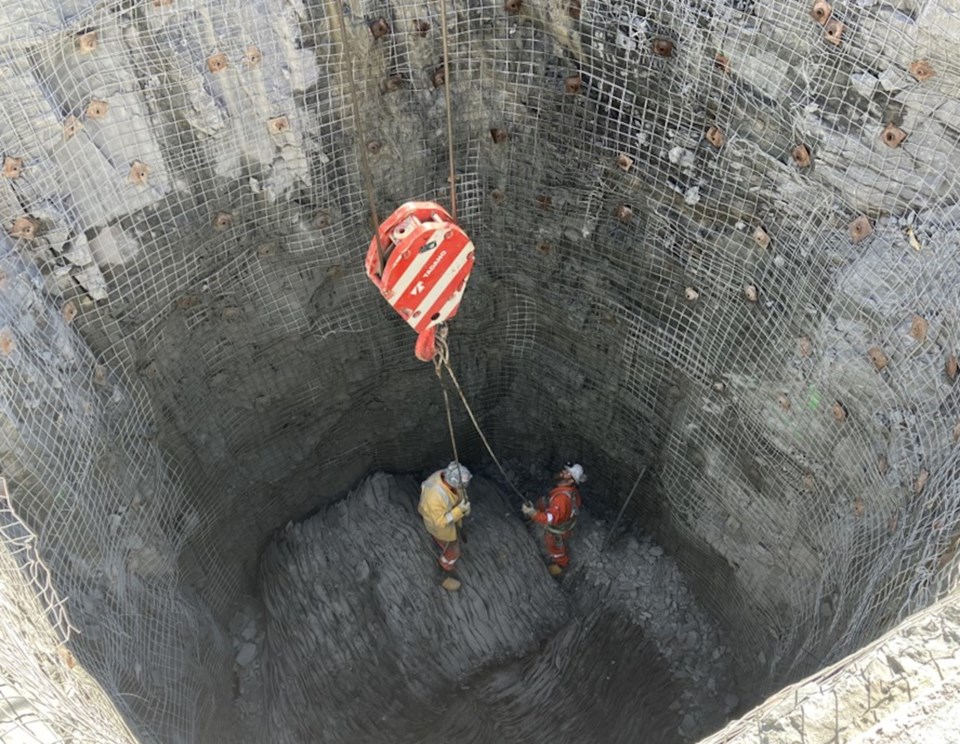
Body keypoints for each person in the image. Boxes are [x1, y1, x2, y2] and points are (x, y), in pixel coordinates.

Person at [522, 463, 585, 576]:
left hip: (559, 527)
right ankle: (531, 517)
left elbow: (549, 519)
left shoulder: (561, 499)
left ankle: (561, 565)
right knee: (543, 502)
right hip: (563, 514)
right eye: (565, 470)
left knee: (554, 545)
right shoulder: (570, 491)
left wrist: (533, 513)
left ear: (571, 481)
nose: (563, 472)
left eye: (567, 473)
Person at [418, 461, 472, 591]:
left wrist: (464, 506)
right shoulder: (434, 497)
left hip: (450, 514)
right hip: (439, 525)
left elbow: (460, 491)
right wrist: (460, 510)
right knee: (453, 549)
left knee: (456, 531)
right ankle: (445, 563)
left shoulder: (447, 476)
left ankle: (456, 535)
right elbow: (440, 522)